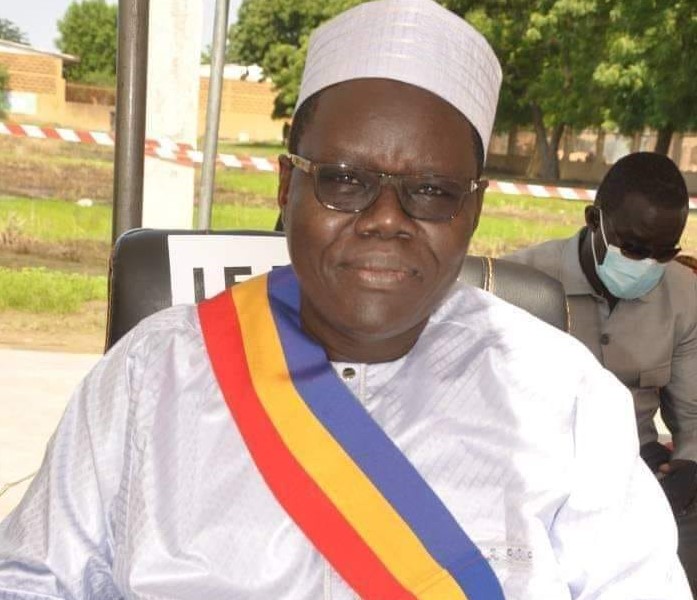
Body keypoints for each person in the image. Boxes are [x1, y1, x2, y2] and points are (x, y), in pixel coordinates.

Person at [0, 1, 690, 598]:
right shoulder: (150, 375)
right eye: (343, 179)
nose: (386, 219)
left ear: (472, 210)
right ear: (286, 187)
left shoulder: (562, 398)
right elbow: (31, 579)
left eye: (431, 191)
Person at [505, 151, 697, 594]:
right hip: (536, 467)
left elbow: (692, 416)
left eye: (664, 253)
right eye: (634, 249)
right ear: (594, 220)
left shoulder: (685, 295)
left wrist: (689, 465)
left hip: (638, 466)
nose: (648, 264)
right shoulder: (519, 282)